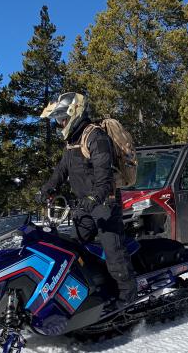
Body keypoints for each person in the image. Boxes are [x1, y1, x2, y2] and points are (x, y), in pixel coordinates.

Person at [35, 92, 136, 305]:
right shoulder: (73, 141)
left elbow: (104, 177)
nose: (60, 123)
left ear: (74, 113)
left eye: (62, 118)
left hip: (104, 205)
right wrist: (47, 189)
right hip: (84, 205)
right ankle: (85, 291)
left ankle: (128, 298)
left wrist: (94, 197)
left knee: (114, 253)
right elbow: (61, 170)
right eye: (58, 119)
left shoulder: (96, 137)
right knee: (73, 249)